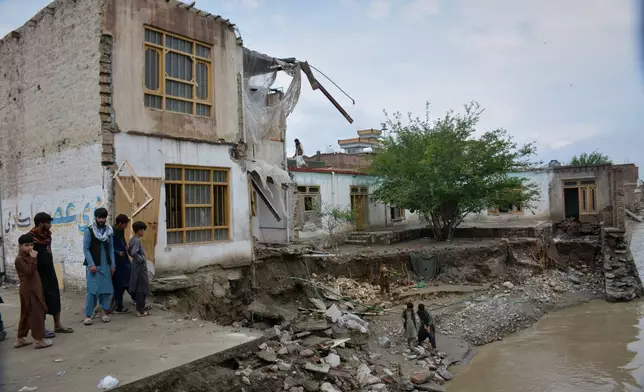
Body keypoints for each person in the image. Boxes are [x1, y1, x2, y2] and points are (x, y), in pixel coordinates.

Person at [29, 212, 73, 337]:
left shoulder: (47, 235)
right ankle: (41, 328)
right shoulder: (31, 238)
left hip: (50, 272)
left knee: (54, 298)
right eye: (48, 223)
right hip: (38, 274)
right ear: (41, 223)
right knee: (40, 301)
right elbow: (31, 258)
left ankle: (57, 325)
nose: (50, 225)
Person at [14, 233, 52, 349]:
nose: (30, 248)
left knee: (26, 314)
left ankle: (20, 339)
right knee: (36, 314)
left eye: (31, 245)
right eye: (26, 245)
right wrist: (33, 258)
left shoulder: (28, 256)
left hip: (34, 288)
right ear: (20, 246)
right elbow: (29, 272)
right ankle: (39, 341)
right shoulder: (20, 259)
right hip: (29, 290)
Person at [83, 208, 115, 326]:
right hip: (94, 266)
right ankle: (88, 315)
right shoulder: (89, 231)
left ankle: (103, 312)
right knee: (92, 291)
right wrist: (91, 264)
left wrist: (113, 264)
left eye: (103, 217)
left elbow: (111, 248)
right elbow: (86, 249)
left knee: (105, 290)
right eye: (99, 217)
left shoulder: (109, 231)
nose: (101, 220)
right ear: (95, 217)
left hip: (106, 265)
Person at [128, 221, 150, 317]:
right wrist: (141, 259)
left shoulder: (132, 239)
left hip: (136, 265)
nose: (143, 232)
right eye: (143, 230)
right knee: (142, 287)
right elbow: (133, 252)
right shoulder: (137, 240)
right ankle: (141, 310)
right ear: (140, 230)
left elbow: (129, 251)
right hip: (140, 267)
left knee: (137, 286)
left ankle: (140, 308)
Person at [111, 214, 132, 314]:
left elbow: (122, 241)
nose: (127, 226)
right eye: (125, 224)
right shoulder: (112, 232)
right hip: (116, 262)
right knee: (119, 284)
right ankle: (118, 306)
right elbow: (109, 247)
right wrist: (117, 252)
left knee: (127, 280)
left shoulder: (120, 231)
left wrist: (126, 247)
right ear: (120, 223)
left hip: (124, 260)